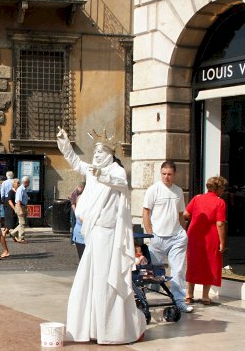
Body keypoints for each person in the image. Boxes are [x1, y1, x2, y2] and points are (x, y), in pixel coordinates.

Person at [57, 127, 146, 344]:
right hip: (94, 234)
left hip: (109, 236)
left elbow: (120, 183)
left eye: (100, 154)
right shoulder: (93, 170)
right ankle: (91, 328)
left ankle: (111, 331)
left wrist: (101, 174)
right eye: (95, 153)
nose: (96, 157)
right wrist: (65, 145)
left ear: (109, 155)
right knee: (89, 282)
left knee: (107, 282)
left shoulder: (114, 170)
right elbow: (77, 163)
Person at [142, 161, 192, 313]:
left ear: (174, 174)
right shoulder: (153, 190)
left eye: (169, 174)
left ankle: (179, 301)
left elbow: (180, 215)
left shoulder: (178, 191)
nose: (166, 177)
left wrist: (185, 233)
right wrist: (150, 233)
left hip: (176, 236)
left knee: (177, 271)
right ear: (160, 173)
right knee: (151, 271)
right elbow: (145, 212)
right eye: (164, 174)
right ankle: (145, 300)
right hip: (158, 237)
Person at [184, 176, 228, 305]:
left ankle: (189, 294)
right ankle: (205, 296)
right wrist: (222, 242)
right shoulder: (220, 202)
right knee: (210, 262)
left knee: (193, 262)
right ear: (218, 188)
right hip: (210, 236)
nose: (223, 191)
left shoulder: (197, 198)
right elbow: (220, 223)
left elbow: (186, 214)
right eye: (223, 188)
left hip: (194, 235)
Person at [8, 176, 30, 243]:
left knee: (22, 223)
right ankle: (21, 238)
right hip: (20, 207)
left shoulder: (24, 189)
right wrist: (20, 210)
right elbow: (18, 201)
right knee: (22, 223)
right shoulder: (21, 189)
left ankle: (13, 233)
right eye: (28, 182)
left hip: (23, 207)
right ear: (26, 182)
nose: (29, 183)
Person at [69, 181, 86, 261]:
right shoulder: (75, 194)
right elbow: (73, 204)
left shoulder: (82, 195)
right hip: (80, 235)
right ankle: (71, 240)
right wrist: (76, 212)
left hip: (81, 234)